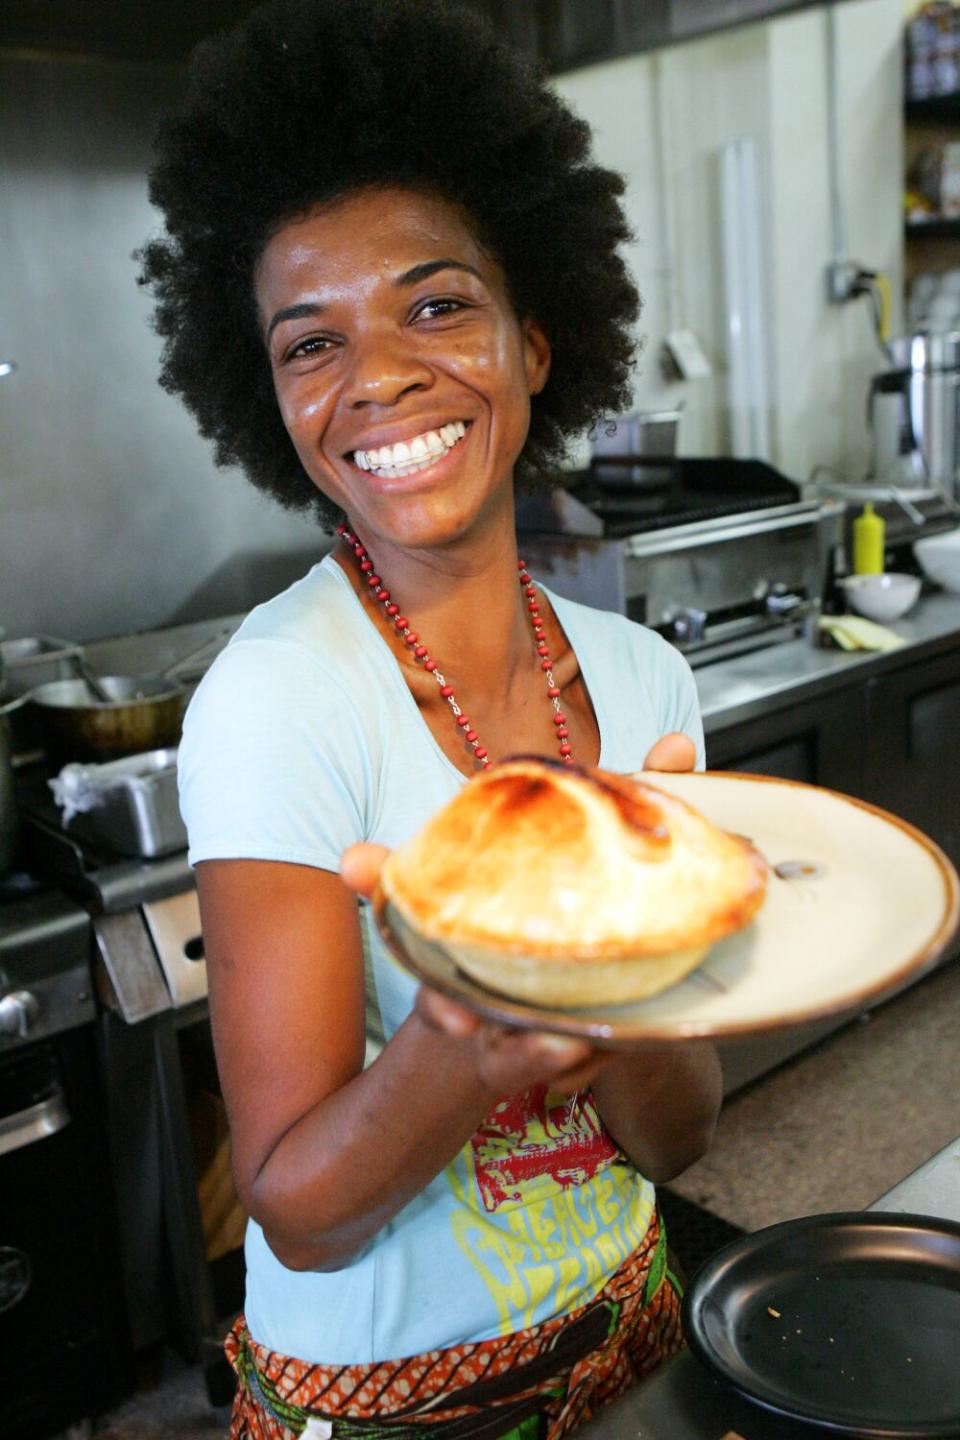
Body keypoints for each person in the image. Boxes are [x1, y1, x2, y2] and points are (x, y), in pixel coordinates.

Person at [140, 2, 723, 1435]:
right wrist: (461, 1045)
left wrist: (626, 996)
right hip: (397, 1412)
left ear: (535, 341)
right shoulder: (278, 703)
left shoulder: (642, 681)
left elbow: (679, 1133)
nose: (381, 375)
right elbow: (300, 1215)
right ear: (268, 402)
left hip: (636, 1341)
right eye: (309, 344)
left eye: (437, 304)